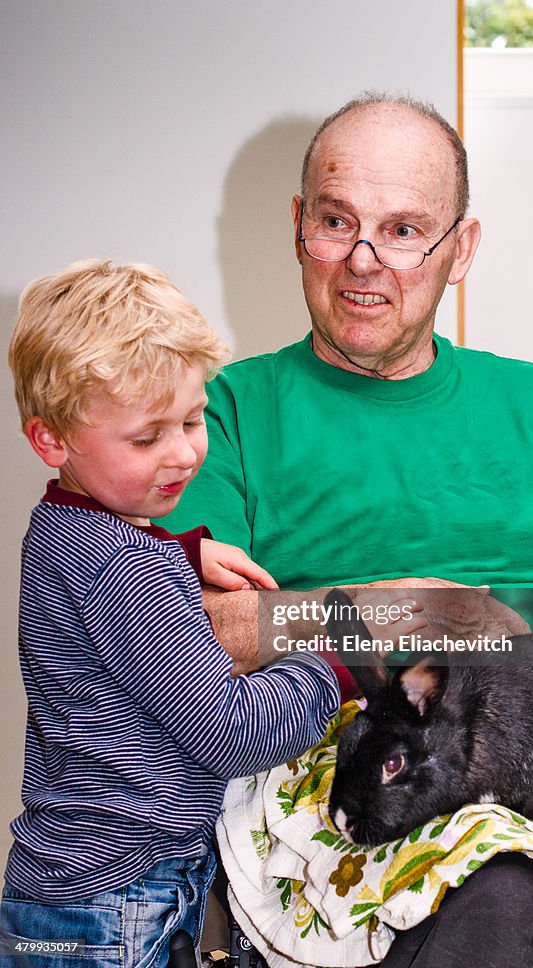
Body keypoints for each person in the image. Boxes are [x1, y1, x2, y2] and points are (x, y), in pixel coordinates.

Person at [164, 93, 533, 967]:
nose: (364, 263)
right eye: (336, 221)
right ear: (298, 225)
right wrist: (406, 612)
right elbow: (200, 634)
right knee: (499, 902)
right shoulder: (220, 413)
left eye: (403, 231)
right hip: (369, 770)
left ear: (460, 249)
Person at [1, 259, 340, 968]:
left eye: (192, 419)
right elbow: (231, 731)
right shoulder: (126, 567)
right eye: (147, 437)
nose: (183, 452)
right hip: (123, 897)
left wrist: (181, 554)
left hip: (66, 885)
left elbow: (103, 587)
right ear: (52, 440)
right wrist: (336, 666)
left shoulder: (61, 528)